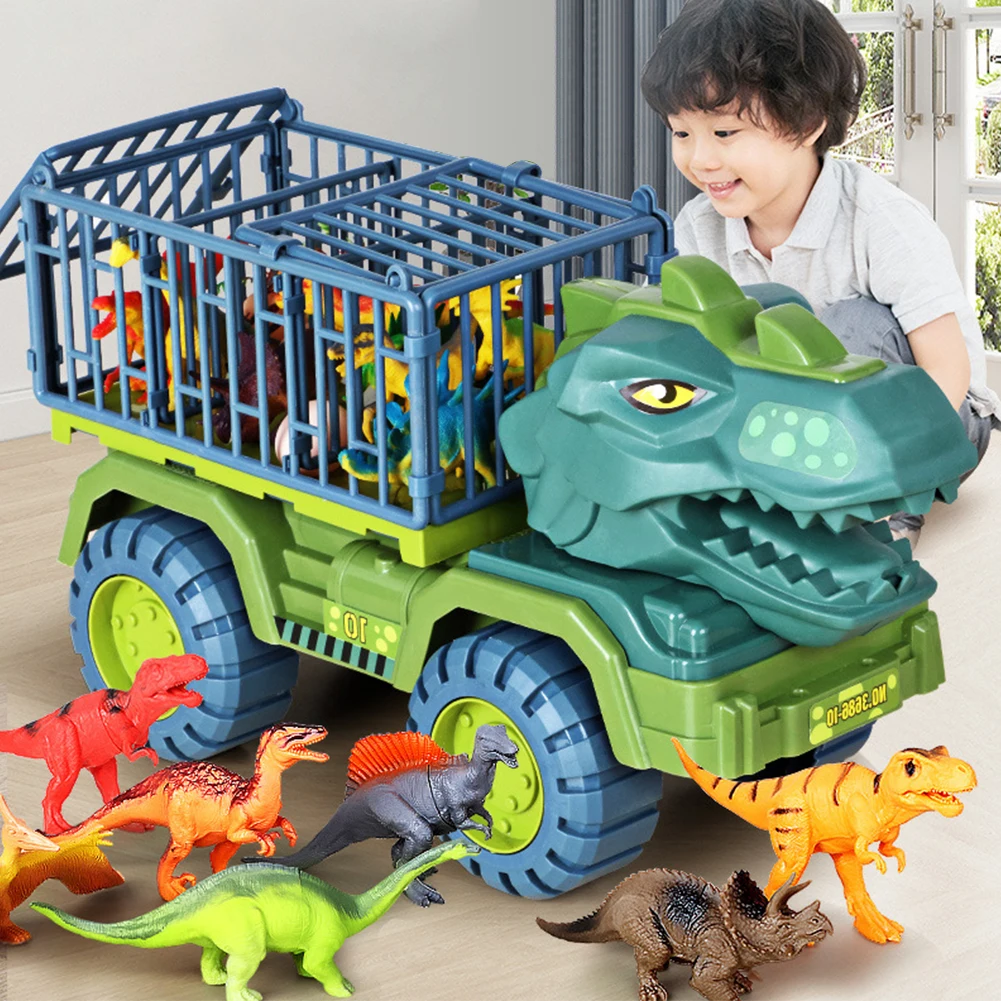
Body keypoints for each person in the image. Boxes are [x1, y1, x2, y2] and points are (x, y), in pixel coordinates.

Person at [641, 0, 1000, 547]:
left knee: (849, 325)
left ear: (807, 124)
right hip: (801, 411)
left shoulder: (880, 220)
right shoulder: (700, 226)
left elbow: (946, 369)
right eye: (681, 133)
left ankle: (886, 515)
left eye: (725, 132)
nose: (700, 160)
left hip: (935, 419)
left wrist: (889, 464)